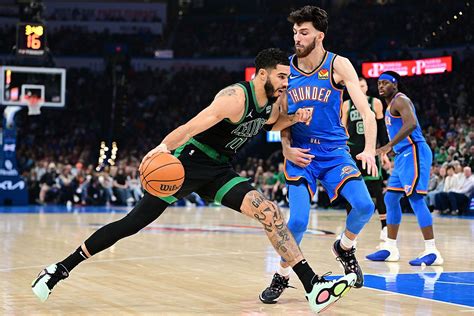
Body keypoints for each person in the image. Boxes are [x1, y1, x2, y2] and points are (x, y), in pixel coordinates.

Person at [31, 48, 356, 314]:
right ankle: (60, 268)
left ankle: (312, 286)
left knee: (269, 211)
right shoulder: (234, 98)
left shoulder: (271, 105)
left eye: (288, 76)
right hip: (186, 166)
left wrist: (295, 118)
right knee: (131, 224)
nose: (287, 82)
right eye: (282, 76)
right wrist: (161, 148)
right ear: (262, 74)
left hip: (219, 172)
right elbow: (191, 127)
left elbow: (273, 122)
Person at [260, 6, 377, 304]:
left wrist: (368, 149)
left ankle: (345, 247)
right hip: (302, 154)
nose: (297, 38)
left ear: (319, 35)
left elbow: (365, 110)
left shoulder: (339, 65)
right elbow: (277, 120)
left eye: (304, 32)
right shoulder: (285, 70)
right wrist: (286, 147)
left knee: (364, 206)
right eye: (295, 32)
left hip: (335, 152)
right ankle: (282, 275)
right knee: (297, 222)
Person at [366, 71, 444, 266]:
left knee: (416, 198)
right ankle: (391, 247)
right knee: (390, 198)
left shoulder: (401, 100)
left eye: (385, 83)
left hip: (415, 151)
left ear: (396, 85)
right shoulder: (388, 106)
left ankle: (432, 250)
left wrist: (389, 145)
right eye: (379, 83)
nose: (381, 86)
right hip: (402, 157)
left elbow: (411, 124)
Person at [341, 77, 389, 241]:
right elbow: (343, 129)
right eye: (357, 86)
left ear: (367, 88)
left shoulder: (375, 102)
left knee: (376, 188)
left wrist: (384, 152)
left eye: (362, 85)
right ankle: (350, 229)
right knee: (349, 189)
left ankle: (385, 227)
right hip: (352, 150)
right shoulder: (346, 105)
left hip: (370, 151)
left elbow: (382, 130)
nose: (360, 88)